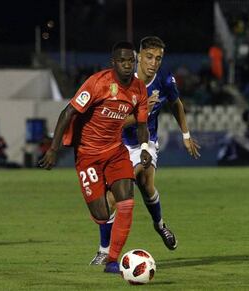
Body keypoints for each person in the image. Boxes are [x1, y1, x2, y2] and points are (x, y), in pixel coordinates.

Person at [39, 41, 152, 274]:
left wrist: (144, 147)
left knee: (127, 203)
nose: (128, 65)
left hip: (115, 151)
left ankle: (112, 261)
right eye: (123, 61)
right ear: (114, 63)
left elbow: (142, 123)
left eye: (131, 60)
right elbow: (68, 112)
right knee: (101, 213)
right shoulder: (98, 83)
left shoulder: (139, 88)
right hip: (87, 155)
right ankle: (104, 242)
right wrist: (53, 148)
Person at [90, 36, 200, 265]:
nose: (154, 62)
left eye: (158, 58)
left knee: (145, 181)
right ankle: (103, 251)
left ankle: (160, 226)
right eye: (149, 57)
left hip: (145, 141)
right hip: (117, 143)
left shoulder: (164, 80)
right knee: (110, 200)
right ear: (139, 56)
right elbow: (113, 122)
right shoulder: (122, 81)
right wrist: (140, 111)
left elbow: (176, 104)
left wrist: (186, 135)